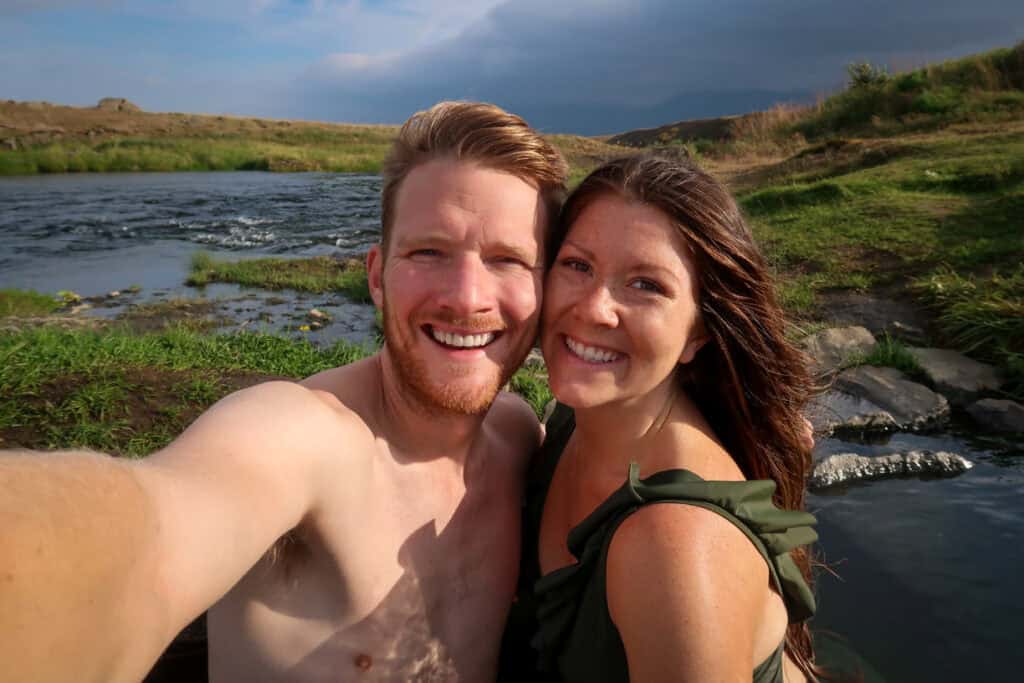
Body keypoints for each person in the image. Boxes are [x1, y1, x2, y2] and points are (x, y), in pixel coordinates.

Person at [0, 101, 568, 683]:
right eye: (428, 252)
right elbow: (148, 539)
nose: (466, 296)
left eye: (508, 259)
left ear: (547, 286)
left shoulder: (518, 435)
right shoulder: (303, 438)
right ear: (376, 276)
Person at [502, 154, 820, 682]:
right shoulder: (570, 422)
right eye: (578, 265)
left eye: (646, 285)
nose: (594, 308)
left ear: (699, 333)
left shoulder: (678, 547)